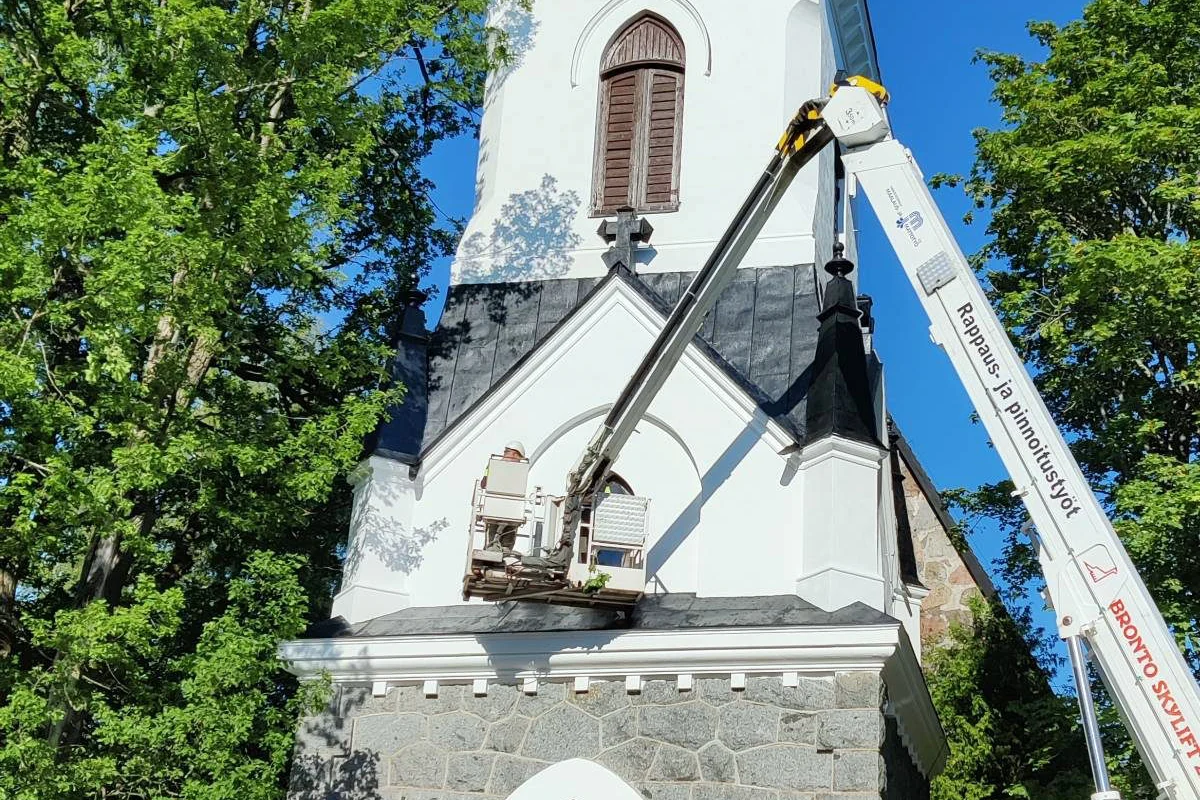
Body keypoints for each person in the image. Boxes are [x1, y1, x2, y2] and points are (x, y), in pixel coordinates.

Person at [482, 441, 526, 554]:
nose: (504, 454)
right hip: (494, 507)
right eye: (505, 452)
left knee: (507, 541)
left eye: (507, 452)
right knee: (492, 539)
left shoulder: (521, 470)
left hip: (512, 510)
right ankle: (491, 549)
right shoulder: (494, 465)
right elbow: (484, 483)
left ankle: (505, 551)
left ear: (516, 454)